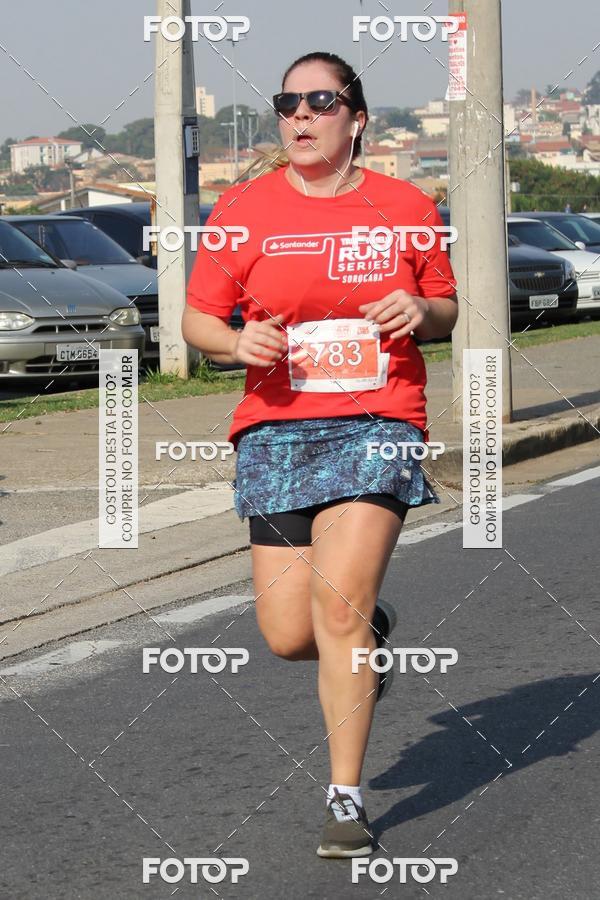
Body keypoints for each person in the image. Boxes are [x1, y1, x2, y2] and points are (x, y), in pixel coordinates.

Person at [182, 50, 458, 859]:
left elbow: (444, 309)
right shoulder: (244, 208)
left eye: (321, 101)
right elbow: (199, 320)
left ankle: (345, 798)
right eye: (288, 102)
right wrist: (238, 341)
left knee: (335, 611)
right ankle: (372, 630)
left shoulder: (406, 205)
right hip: (274, 426)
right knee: (288, 634)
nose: (301, 115)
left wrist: (420, 306)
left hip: (379, 420)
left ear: (356, 118)